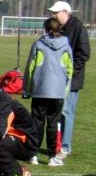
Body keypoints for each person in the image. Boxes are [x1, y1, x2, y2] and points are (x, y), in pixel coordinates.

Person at [22, 17, 73, 166]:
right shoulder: (66, 46)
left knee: (37, 123)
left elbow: (30, 67)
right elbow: (70, 70)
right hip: (57, 92)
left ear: (45, 29)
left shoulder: (38, 44)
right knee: (54, 124)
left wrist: (27, 88)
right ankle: (52, 156)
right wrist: (64, 90)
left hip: (40, 90)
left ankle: (33, 154)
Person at [48, 1, 91, 163]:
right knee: (57, 112)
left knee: (66, 112)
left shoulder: (78, 28)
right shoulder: (58, 29)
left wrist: (70, 71)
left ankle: (65, 147)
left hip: (72, 79)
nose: (53, 15)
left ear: (65, 12)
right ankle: (58, 145)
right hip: (57, 77)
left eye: (56, 12)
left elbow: (84, 54)